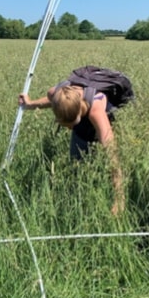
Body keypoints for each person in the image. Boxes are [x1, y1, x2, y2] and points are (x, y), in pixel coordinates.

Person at [19, 79, 125, 215]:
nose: (68, 128)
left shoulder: (96, 112)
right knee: (76, 169)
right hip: (81, 129)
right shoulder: (56, 94)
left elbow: (112, 156)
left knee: (102, 167)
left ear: (78, 114)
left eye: (70, 124)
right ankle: (79, 201)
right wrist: (30, 104)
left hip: (99, 126)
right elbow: (52, 101)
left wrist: (119, 199)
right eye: (64, 125)